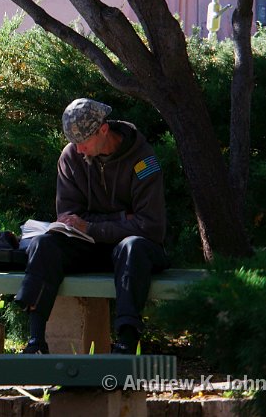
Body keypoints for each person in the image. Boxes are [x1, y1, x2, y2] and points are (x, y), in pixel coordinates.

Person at [15, 98, 169, 354]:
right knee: (44, 243)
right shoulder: (70, 157)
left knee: (132, 247)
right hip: (87, 247)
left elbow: (151, 226)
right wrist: (122, 219)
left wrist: (91, 226)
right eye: (73, 142)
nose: (78, 149)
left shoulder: (144, 160)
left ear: (103, 130)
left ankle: (126, 343)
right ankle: (35, 341)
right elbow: (68, 217)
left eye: (83, 141)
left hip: (135, 252)